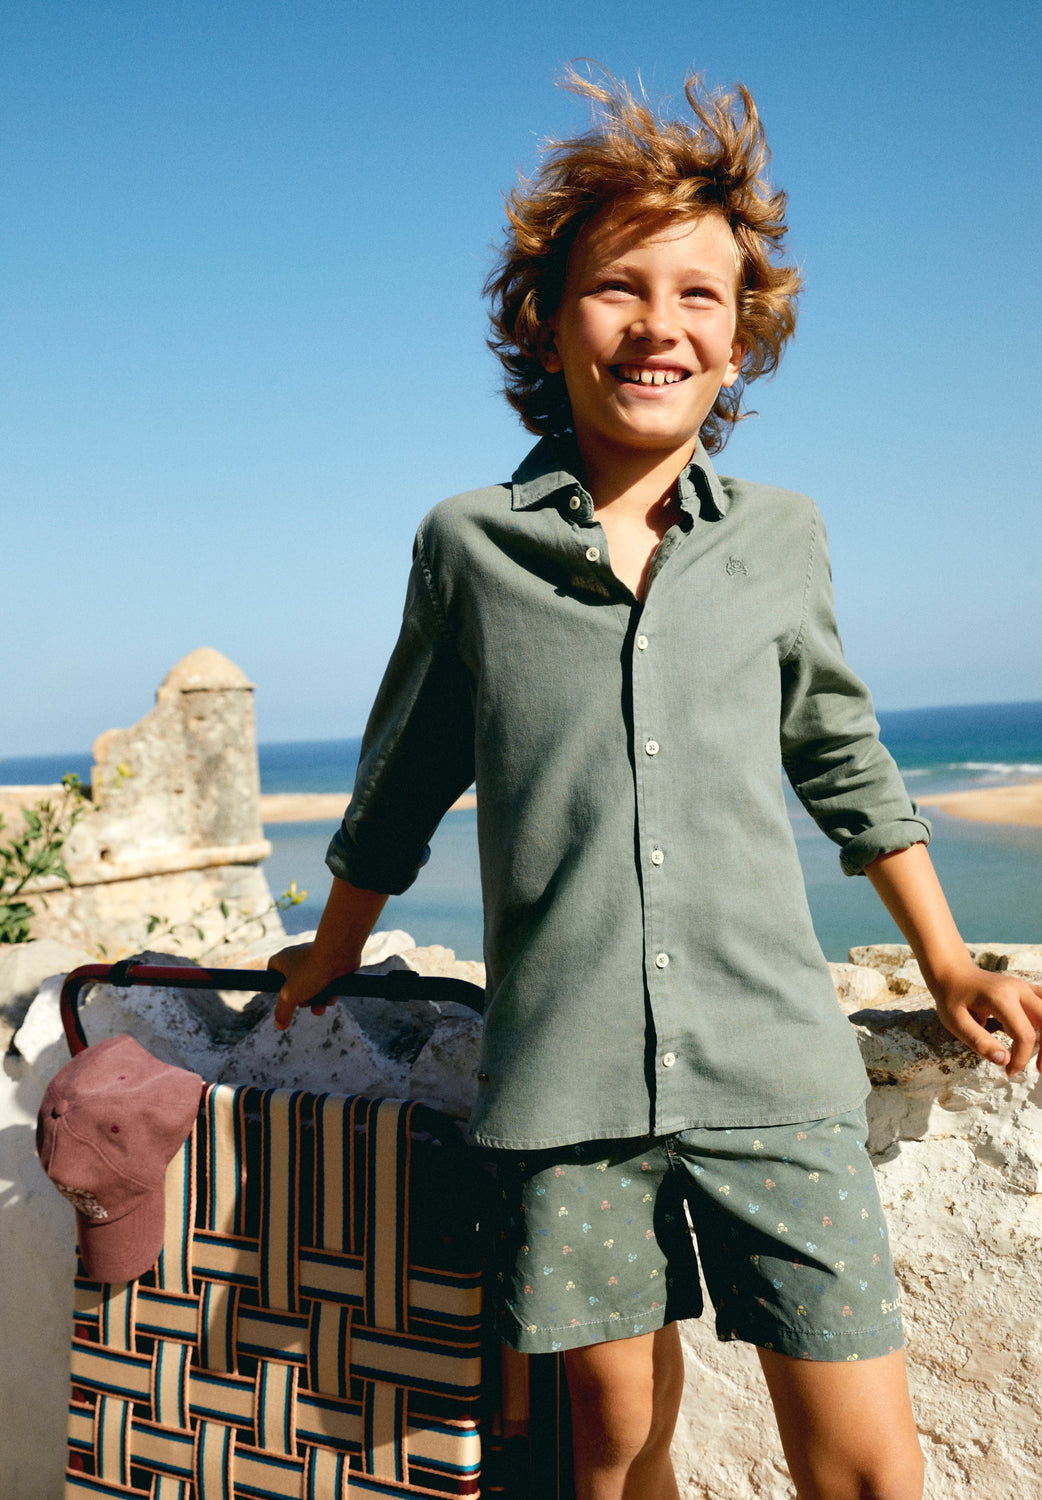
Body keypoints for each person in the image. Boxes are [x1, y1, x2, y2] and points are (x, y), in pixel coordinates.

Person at [269, 67, 1042, 1500]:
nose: (658, 324)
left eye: (699, 295)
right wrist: (329, 952)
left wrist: (945, 959)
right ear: (548, 320)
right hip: (563, 1086)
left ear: (740, 341)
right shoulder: (468, 546)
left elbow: (841, 755)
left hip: (776, 1070)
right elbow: (402, 779)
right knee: (614, 1444)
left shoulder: (781, 537)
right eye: (617, 288)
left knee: (867, 1461)